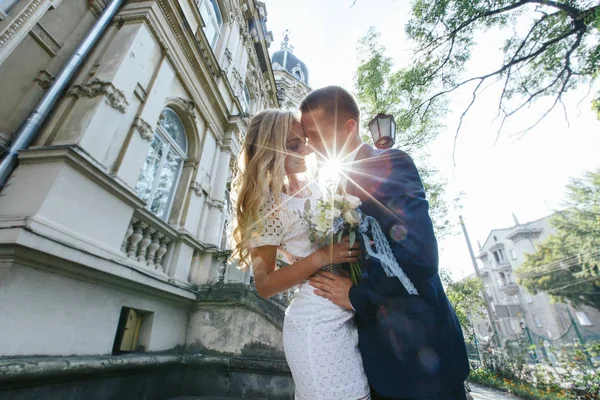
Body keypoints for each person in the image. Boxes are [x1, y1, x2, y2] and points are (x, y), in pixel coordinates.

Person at [301, 86, 470, 400]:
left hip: (423, 361)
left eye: (314, 134)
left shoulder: (390, 163)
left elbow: (419, 256)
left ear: (349, 127)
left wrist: (354, 295)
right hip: (374, 362)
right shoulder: (337, 187)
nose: (309, 146)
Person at [230, 109, 371, 400]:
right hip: (314, 323)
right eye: (294, 145)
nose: (306, 150)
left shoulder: (314, 186)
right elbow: (265, 284)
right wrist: (324, 257)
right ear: (271, 148)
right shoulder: (266, 203)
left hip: (346, 310)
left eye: (304, 141)